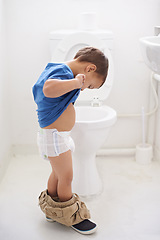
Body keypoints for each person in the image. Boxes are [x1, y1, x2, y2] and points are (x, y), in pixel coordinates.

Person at [32, 46, 109, 234]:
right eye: (90, 86)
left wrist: (75, 84)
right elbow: (48, 89)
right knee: (66, 177)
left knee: (58, 175)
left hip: (57, 136)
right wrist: (76, 83)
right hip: (55, 137)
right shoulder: (63, 72)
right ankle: (70, 216)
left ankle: (52, 210)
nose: (86, 88)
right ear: (90, 69)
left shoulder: (65, 73)